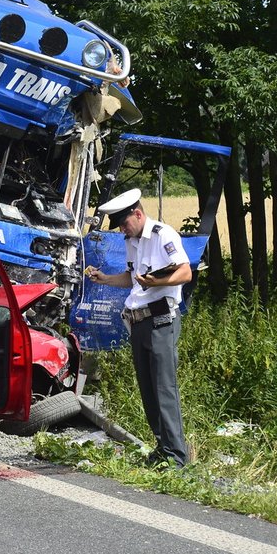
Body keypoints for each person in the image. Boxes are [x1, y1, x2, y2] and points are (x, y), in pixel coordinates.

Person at [86, 188, 192, 467]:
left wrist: (155, 282)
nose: (122, 229)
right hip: (139, 320)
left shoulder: (162, 235)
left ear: (138, 213)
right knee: (148, 388)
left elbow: (184, 271)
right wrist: (105, 279)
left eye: (124, 223)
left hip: (161, 320)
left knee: (163, 388)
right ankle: (163, 448)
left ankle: (177, 457)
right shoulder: (132, 240)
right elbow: (133, 278)